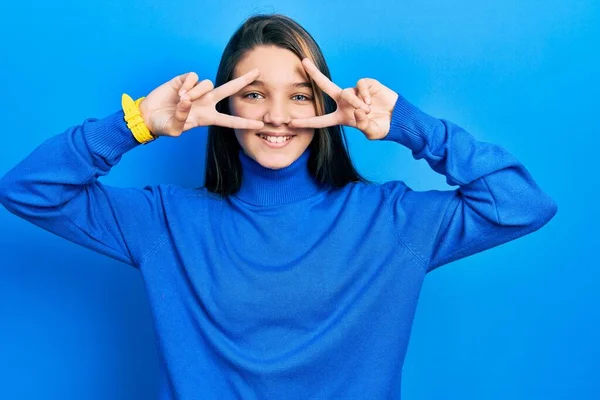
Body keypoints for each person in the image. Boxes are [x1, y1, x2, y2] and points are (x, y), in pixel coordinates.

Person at [0, 13, 557, 400]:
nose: (277, 116)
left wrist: (409, 126)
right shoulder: (163, 222)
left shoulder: (392, 222)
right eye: (253, 93)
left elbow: (523, 203)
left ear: (326, 105)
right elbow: (29, 190)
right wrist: (138, 123)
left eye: (299, 95)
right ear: (224, 101)